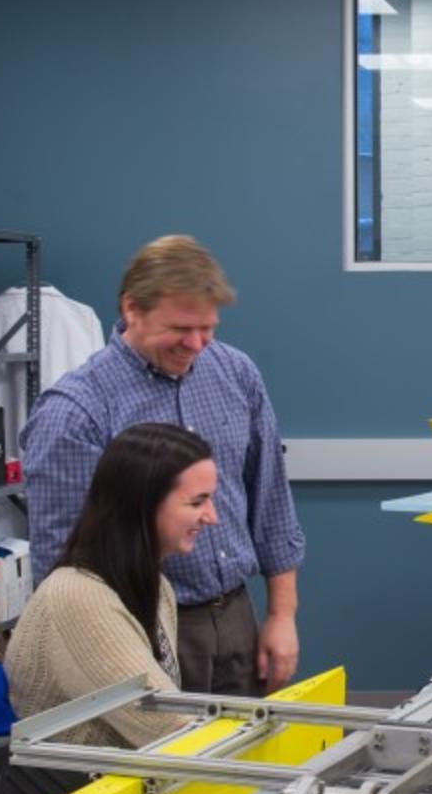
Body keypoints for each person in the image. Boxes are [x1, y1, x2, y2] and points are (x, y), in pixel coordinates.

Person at [21, 235, 303, 696]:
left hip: (237, 619)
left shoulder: (236, 373)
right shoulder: (75, 411)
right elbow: (64, 567)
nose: (196, 344)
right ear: (132, 308)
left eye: (207, 327)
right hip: (141, 632)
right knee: (169, 766)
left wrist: (281, 616)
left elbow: (271, 501)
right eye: (180, 328)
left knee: (246, 765)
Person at [4, 423, 219, 749]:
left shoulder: (157, 587)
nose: (212, 516)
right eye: (197, 502)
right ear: (144, 504)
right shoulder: (76, 598)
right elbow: (173, 730)